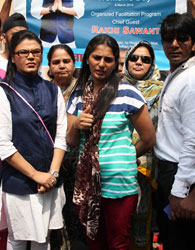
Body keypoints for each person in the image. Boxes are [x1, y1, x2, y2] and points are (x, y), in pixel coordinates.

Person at [66, 33, 156, 250]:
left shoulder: (128, 93)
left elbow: (149, 138)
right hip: (87, 185)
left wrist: (124, 157)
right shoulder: (78, 94)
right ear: (87, 58)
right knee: (94, 242)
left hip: (119, 184)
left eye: (108, 59)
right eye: (97, 57)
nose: (101, 64)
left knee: (118, 244)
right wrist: (77, 124)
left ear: (116, 63)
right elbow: (70, 140)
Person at [0, 29, 67, 249]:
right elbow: (3, 144)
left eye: (36, 52)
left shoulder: (52, 90)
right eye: (23, 52)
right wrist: (36, 175)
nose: (30, 56)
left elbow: (60, 136)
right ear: (12, 56)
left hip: (50, 180)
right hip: (19, 181)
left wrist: (52, 174)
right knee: (17, 238)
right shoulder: (4, 91)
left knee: (44, 240)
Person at [154, 13, 195, 250]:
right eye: (168, 39)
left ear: (193, 42)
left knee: (180, 241)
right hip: (166, 173)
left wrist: (180, 192)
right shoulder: (175, 74)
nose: (174, 45)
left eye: (182, 38)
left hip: (180, 177)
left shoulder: (193, 81)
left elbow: (194, 142)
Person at [122, 40, 163, 250]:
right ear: (127, 61)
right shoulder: (115, 87)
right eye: (134, 57)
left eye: (145, 59)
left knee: (141, 214)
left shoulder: (162, 91)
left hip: (145, 165)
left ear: (152, 64)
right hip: (116, 165)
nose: (139, 62)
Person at [47, 44, 88, 250]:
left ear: (74, 63)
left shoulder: (86, 90)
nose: (62, 66)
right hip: (49, 164)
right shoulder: (44, 90)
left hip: (79, 165)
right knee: (52, 220)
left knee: (76, 216)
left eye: (66, 61)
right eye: (56, 62)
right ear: (49, 66)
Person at [0, 12, 28, 81]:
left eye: (24, 34)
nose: (20, 37)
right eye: (15, 34)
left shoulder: (32, 62)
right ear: (3, 38)